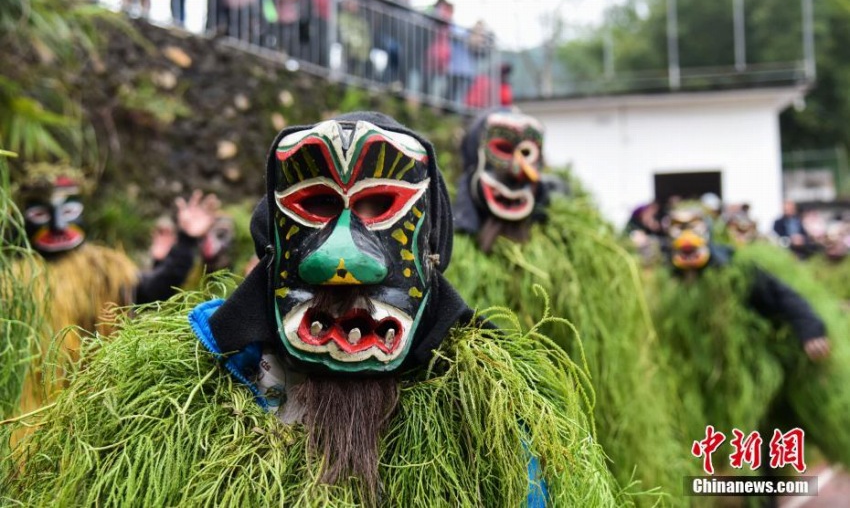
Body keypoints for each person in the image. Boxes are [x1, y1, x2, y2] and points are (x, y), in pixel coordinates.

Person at [3, 113, 626, 506]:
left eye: (382, 206)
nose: (341, 260)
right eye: (315, 206)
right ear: (272, 242)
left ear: (432, 247)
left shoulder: (485, 417)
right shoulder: (174, 403)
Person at [448, 107, 691, 502]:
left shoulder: (570, 249)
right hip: (492, 418)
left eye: (529, 153)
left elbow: (602, 346)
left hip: (571, 418)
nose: (519, 169)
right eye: (503, 150)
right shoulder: (454, 256)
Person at [649, 201, 850, 477]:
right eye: (677, 227)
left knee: (758, 427)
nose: (686, 236)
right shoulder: (666, 277)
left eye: (693, 226)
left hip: (751, 368)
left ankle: (764, 486)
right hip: (701, 370)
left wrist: (810, 329)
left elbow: (783, 296)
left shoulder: (736, 268)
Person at [13, 165, 220, 410]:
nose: (58, 225)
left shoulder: (103, 268)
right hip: (29, 405)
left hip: (93, 398)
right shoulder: (12, 282)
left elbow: (151, 293)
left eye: (68, 211)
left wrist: (186, 241)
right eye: (40, 214)